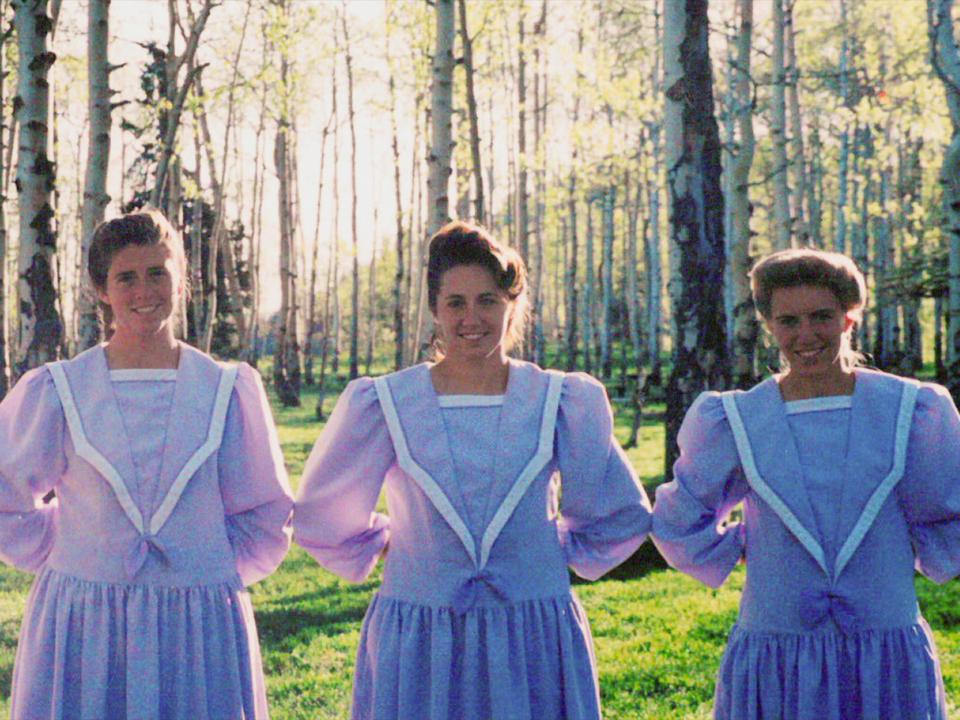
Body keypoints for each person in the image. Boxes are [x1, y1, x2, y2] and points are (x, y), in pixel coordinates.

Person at [294, 220, 651, 719]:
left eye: (487, 300)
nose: (471, 318)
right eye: (455, 303)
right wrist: (391, 538)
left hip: (533, 633)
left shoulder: (558, 400)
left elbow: (617, 513)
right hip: (423, 636)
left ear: (512, 304)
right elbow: (323, 515)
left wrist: (545, 550)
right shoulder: (388, 402)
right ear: (435, 310)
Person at [0, 208, 293, 719]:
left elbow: (266, 512)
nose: (144, 291)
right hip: (87, 623)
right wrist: (75, 544)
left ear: (182, 280)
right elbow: (6, 495)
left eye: (158, 272)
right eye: (126, 277)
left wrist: (205, 566)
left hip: (199, 622)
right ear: (101, 290)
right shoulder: (60, 390)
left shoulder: (227, 389)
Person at [653, 248, 960, 719]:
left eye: (822, 317)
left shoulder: (910, 411)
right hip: (777, 650)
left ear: (849, 319)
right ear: (770, 325)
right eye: (788, 320)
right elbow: (681, 520)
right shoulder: (736, 419)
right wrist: (745, 542)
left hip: (885, 651)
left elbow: (942, 512)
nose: (806, 334)